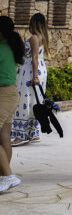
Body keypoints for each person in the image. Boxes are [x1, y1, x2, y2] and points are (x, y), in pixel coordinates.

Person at [11, 13, 47, 146]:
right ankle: (33, 134)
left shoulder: (34, 38)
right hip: (38, 71)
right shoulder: (42, 37)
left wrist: (34, 77)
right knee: (34, 102)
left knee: (23, 101)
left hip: (31, 73)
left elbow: (34, 58)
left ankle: (21, 136)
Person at [0, 15, 26, 192]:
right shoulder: (10, 45)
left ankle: (8, 176)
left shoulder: (1, 48)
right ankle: (4, 176)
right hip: (10, 93)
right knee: (4, 138)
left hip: (3, 94)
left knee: (4, 138)